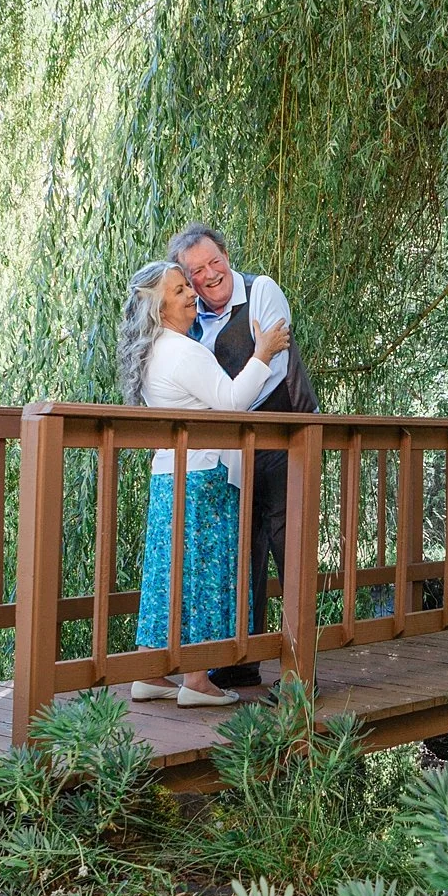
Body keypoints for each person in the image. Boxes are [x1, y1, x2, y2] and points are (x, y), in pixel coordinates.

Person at [117, 259, 292, 707]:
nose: (192, 293)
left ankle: (149, 672)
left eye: (187, 286)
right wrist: (264, 353)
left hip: (169, 475)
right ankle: (196, 680)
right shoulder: (183, 350)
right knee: (204, 574)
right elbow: (233, 402)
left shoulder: (155, 351)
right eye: (179, 290)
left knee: (168, 574)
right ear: (159, 308)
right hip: (204, 476)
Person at [169, 224, 320, 689]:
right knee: (238, 553)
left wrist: (225, 400)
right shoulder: (189, 323)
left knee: (286, 548)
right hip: (228, 452)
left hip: (284, 440)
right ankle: (240, 660)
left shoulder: (261, 291)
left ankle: (301, 674)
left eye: (215, 261)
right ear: (187, 279)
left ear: (226, 255)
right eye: (196, 271)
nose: (210, 275)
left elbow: (272, 367)